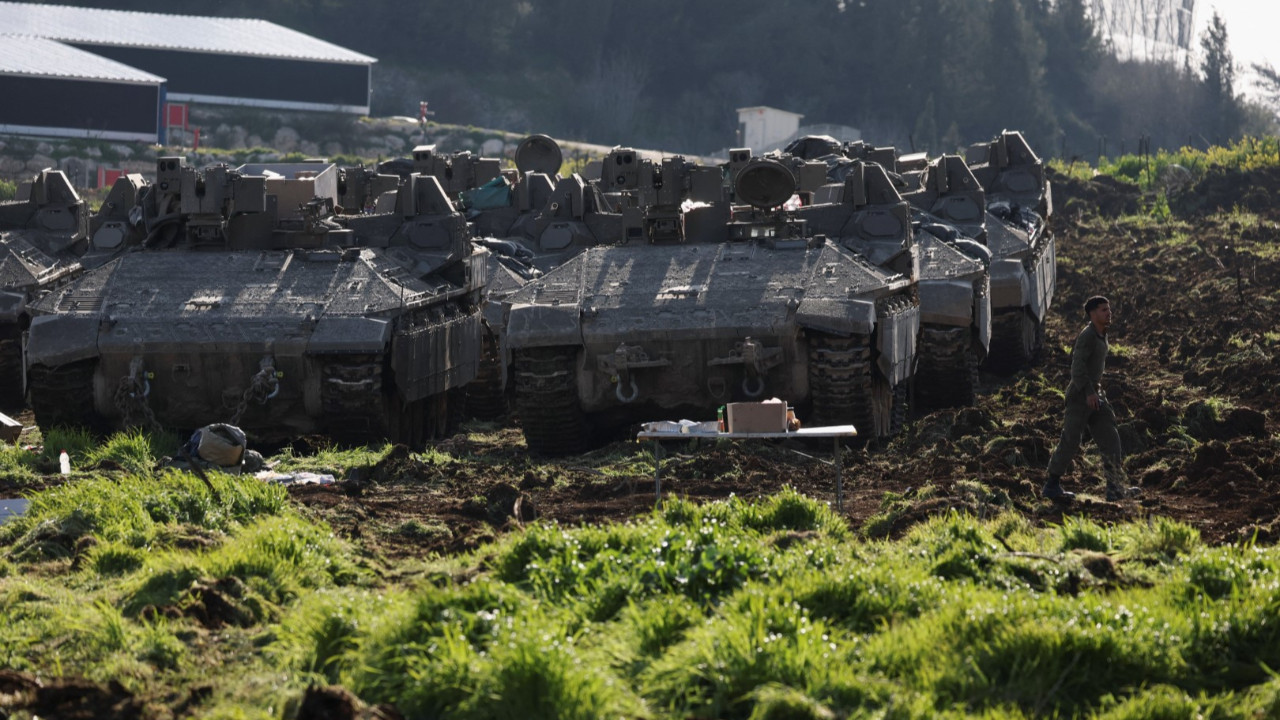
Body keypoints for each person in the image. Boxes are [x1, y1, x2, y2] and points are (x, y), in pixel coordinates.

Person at [1043, 296, 1142, 501]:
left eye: (1109, 309)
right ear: (1093, 314)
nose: (1109, 313)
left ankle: (1114, 488)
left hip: (1096, 394)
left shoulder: (1101, 334)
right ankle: (1051, 484)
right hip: (1081, 395)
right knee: (1071, 440)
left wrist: (1095, 392)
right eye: (1104, 310)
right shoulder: (1087, 336)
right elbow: (1077, 367)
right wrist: (1088, 392)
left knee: (1110, 437)